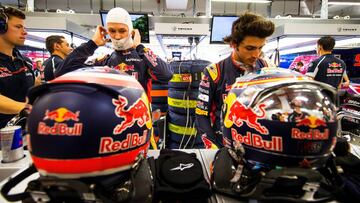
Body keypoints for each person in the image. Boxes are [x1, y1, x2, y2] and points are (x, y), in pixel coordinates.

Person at [195, 12, 275, 148]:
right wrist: (212, 146)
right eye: (249, 48)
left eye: (260, 47)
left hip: (259, 143)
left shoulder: (268, 68)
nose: (256, 54)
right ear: (233, 44)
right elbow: (201, 114)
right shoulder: (214, 72)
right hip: (224, 143)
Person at [55, 7, 173, 98]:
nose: (117, 36)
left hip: (140, 120)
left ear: (130, 31)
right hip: (112, 122)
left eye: (122, 31)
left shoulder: (143, 58)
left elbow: (166, 74)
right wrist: (92, 44)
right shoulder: (104, 61)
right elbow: (62, 72)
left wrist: (140, 47)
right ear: (107, 31)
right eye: (112, 31)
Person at [0, 6, 40, 128]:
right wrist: (31, 109)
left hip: (22, 133)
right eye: (18, 27)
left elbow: (32, 89)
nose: (25, 32)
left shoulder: (25, 61)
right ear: (2, 27)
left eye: (24, 27)